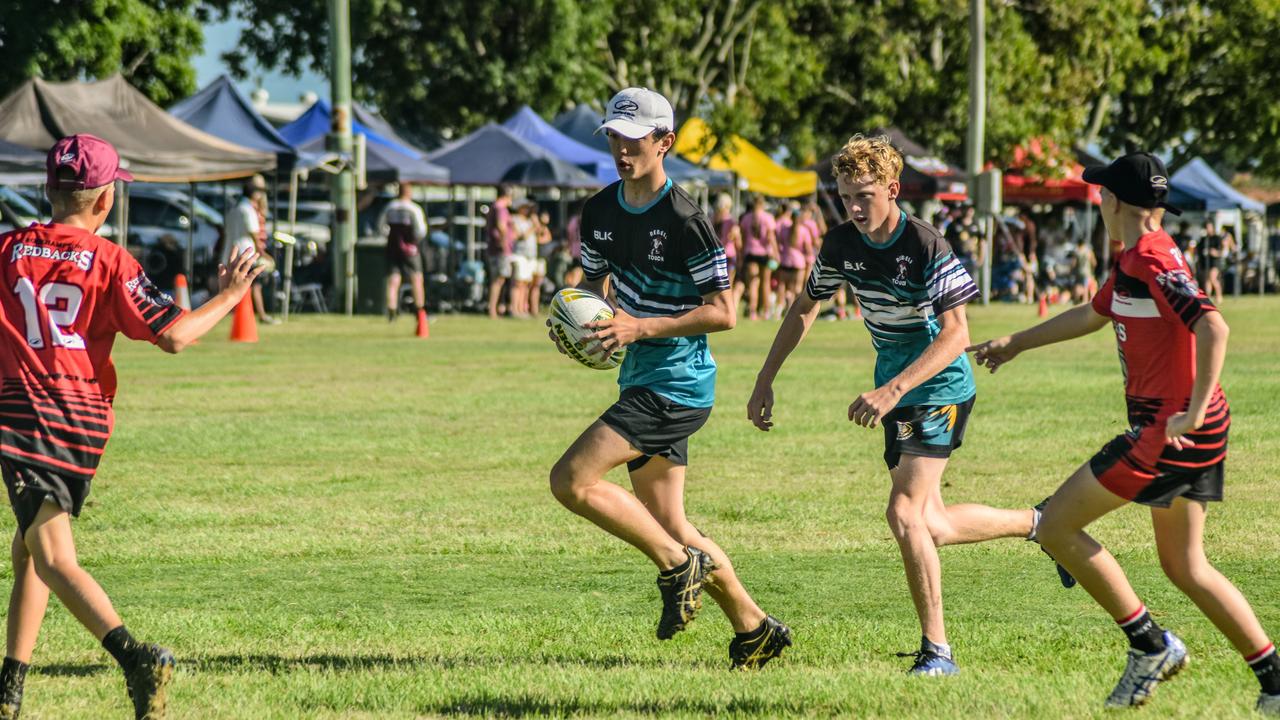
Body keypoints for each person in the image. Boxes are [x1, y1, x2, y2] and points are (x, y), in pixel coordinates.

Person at [969, 152, 1280, 714]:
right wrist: (1015, 343)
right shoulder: (1137, 257)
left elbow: (1213, 325)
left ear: (1112, 202)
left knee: (1055, 525)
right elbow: (1094, 314)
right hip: (1194, 427)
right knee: (1185, 565)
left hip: (1172, 430)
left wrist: (1189, 408)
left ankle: (1150, 645)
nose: (1098, 203)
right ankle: (1275, 683)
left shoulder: (1151, 259)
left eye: (1100, 195)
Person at [747, 134, 1052, 677]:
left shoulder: (925, 243)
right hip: (894, 392)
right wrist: (765, 378)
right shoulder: (841, 244)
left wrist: (893, 391)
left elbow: (957, 334)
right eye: (846, 198)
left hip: (938, 389)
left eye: (865, 195)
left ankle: (938, 651)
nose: (856, 207)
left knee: (904, 512)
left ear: (892, 189)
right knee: (929, 522)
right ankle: (1040, 523)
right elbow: (804, 307)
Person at [0, 135, 263, 720]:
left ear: (49, 190)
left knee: (50, 554)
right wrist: (231, 295)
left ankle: (132, 656)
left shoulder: (9, 249)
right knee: (30, 548)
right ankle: (11, 685)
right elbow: (174, 335)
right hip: (83, 420)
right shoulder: (111, 260)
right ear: (105, 201)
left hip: (27, 413)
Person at [546, 88, 791, 669]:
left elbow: (723, 313)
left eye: (634, 139)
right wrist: (580, 325)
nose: (622, 150)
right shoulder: (600, 211)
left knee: (572, 481)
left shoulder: (687, 220)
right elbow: (596, 292)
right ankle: (754, 627)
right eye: (614, 137)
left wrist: (639, 329)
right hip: (641, 379)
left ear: (665, 142)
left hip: (677, 384)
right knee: (672, 521)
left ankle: (676, 564)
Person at [221, 175, 276, 324]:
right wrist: (264, 254)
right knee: (254, 285)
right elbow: (254, 234)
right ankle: (262, 315)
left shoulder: (234, 208)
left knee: (232, 285)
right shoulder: (248, 209)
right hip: (247, 252)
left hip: (231, 251)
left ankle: (230, 313)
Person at [377, 182, 428, 325]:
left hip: (393, 247)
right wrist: (413, 241)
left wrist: (390, 237)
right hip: (410, 249)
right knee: (416, 278)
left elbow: (381, 227)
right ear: (409, 192)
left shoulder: (390, 207)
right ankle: (420, 310)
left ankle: (392, 311)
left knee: (393, 280)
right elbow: (421, 230)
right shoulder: (413, 208)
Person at [739, 196, 778, 320]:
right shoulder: (768, 218)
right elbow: (771, 238)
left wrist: (741, 255)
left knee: (753, 285)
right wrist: (776, 253)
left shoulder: (746, 218)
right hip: (765, 254)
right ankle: (766, 311)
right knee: (765, 284)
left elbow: (743, 239)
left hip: (750, 253)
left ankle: (752, 312)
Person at [485, 185, 516, 318]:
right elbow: (501, 226)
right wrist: (504, 244)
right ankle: (492, 309)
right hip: (500, 249)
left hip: (494, 248)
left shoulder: (494, 207)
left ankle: (494, 308)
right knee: (498, 279)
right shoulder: (500, 208)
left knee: (498, 279)